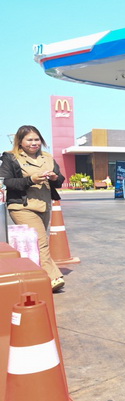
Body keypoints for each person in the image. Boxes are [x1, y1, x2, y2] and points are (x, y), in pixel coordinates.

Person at [0, 125, 66, 291]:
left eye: (37, 139)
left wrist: (54, 177)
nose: (34, 143)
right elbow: (6, 181)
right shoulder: (11, 157)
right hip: (22, 206)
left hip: (43, 205)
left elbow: (60, 180)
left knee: (37, 243)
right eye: (29, 140)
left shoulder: (47, 158)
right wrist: (31, 180)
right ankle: (52, 278)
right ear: (20, 142)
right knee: (40, 242)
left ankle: (35, 278)